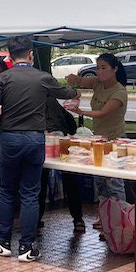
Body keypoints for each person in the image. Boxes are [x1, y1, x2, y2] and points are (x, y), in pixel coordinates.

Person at [0, 37, 79, 261]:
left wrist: (0, 120)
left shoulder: (1, 78)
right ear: (30, 55)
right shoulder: (42, 77)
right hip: (35, 139)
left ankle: (3, 242)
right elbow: (66, 93)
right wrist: (75, 86)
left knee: (7, 190)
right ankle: (27, 247)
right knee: (30, 193)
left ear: (9, 56)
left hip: (8, 138)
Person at [65, 53, 129, 230]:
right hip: (98, 141)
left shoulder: (120, 91)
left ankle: (119, 221)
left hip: (115, 142)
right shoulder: (97, 83)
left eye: (104, 68)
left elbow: (103, 112)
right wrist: (71, 81)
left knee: (114, 183)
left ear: (114, 69)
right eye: (98, 67)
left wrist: (80, 112)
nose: (99, 72)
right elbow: (79, 81)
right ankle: (104, 216)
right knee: (100, 183)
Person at [38, 97, 85, 233]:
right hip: (62, 141)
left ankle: (36, 218)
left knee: (40, 180)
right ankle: (78, 219)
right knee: (69, 179)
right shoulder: (53, 101)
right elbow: (72, 126)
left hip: (43, 141)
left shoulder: (32, 99)